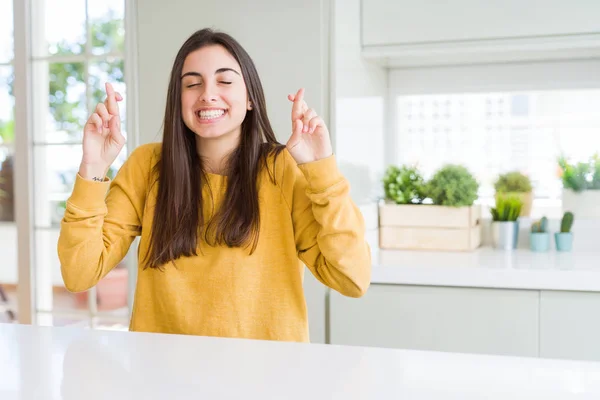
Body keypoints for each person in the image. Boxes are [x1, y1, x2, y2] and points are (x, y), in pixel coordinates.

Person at [58, 28, 371, 342]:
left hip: (265, 382)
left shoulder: (283, 170)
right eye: (192, 83)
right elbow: (79, 274)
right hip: (162, 380)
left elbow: (352, 279)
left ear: (250, 98)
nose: (207, 93)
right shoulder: (147, 166)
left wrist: (322, 169)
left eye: (225, 81)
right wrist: (93, 168)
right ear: (178, 100)